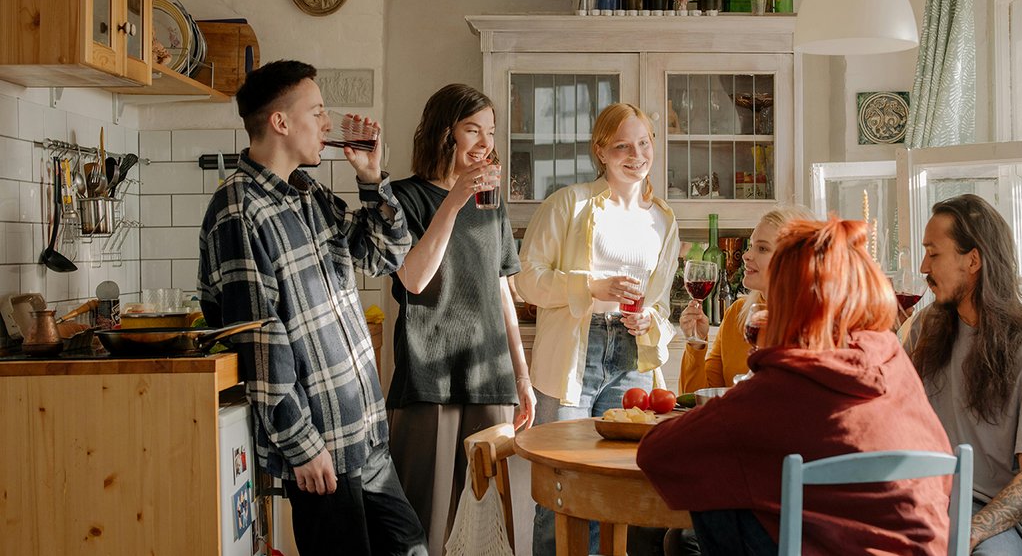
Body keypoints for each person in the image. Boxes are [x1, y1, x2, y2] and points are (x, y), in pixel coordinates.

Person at [198, 60, 426, 556]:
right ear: (280, 122)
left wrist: (371, 179)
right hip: (320, 445)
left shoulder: (307, 193)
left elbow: (385, 254)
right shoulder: (238, 210)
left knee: (411, 547)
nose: (328, 124)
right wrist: (301, 444)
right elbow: (260, 340)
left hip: (363, 429)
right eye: (318, 111)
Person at [638, 218, 954, 556]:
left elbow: (657, 453)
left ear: (789, 301)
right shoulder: (891, 356)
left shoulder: (786, 380)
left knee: (719, 497)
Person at [513, 102, 680, 556]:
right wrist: (593, 286)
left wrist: (650, 320)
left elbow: (662, 303)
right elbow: (526, 278)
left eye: (644, 143)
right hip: (575, 355)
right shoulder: (569, 203)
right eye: (623, 145)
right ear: (601, 151)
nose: (636, 154)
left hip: (631, 359)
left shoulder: (663, 219)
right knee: (563, 486)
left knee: (620, 486)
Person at [386, 83, 535, 556]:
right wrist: (454, 199)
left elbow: (499, 289)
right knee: (425, 524)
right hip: (428, 375)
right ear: (443, 132)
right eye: (473, 129)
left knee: (489, 525)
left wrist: (522, 376)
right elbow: (413, 279)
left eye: (490, 131)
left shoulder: (492, 202)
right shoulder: (403, 198)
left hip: (489, 376)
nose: (485, 143)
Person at [908, 194, 1022, 555]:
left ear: (973, 260)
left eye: (933, 253)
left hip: (988, 515)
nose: (923, 266)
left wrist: (969, 531)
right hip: (918, 498)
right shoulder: (924, 329)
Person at [678, 203, 814, 394]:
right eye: (751, 246)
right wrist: (696, 341)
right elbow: (699, 399)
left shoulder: (816, 322)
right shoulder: (738, 314)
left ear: (795, 260)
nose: (747, 255)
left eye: (763, 249)